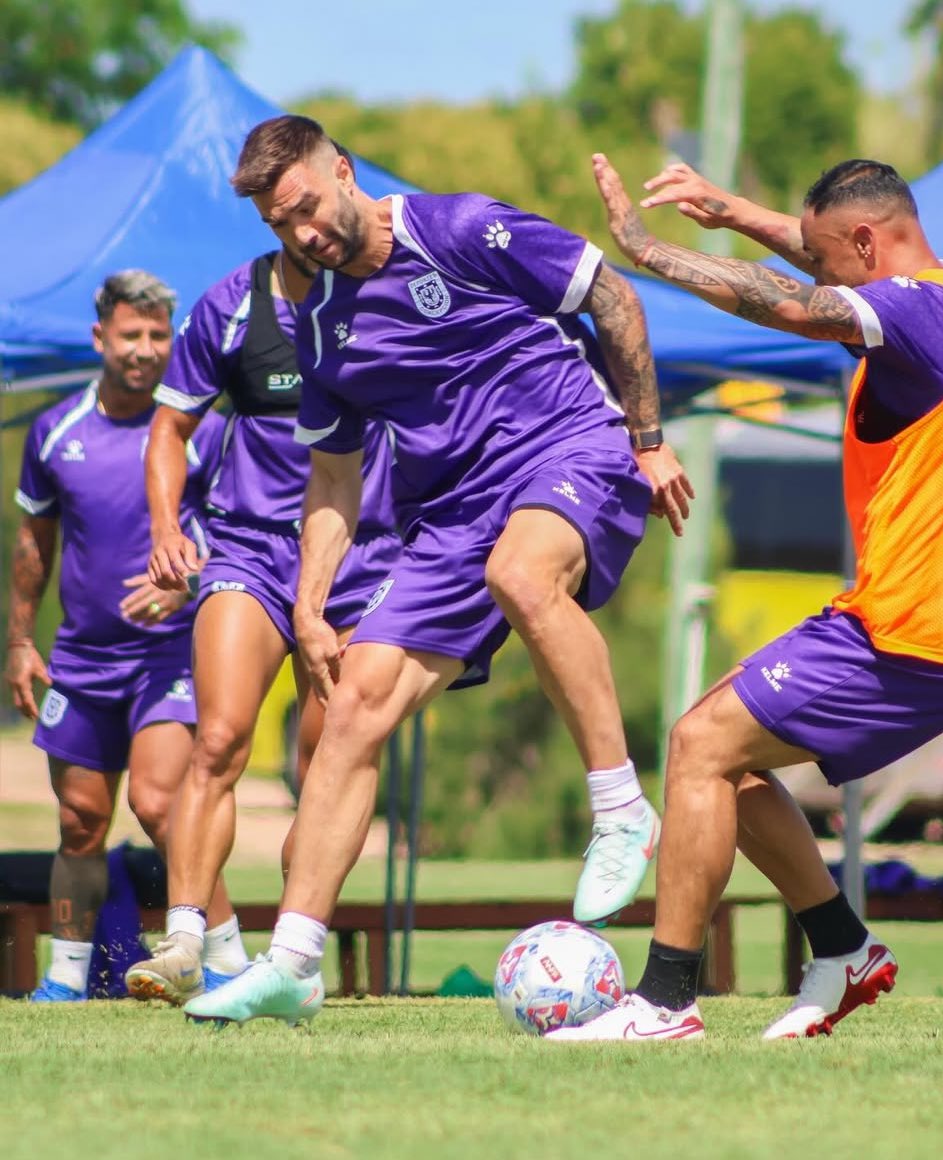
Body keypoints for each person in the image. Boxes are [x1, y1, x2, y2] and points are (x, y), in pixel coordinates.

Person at [179, 114, 692, 1026]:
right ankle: (295, 962)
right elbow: (334, 476)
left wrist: (649, 441)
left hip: (569, 445)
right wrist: (307, 605)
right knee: (354, 707)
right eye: (279, 227)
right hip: (450, 516)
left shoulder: (457, 229)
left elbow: (613, 298)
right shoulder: (319, 327)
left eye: (305, 206)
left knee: (523, 575)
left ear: (341, 170)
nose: (302, 234)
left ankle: (620, 809)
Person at [547, 157, 943, 1042]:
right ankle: (843, 948)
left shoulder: (914, 313)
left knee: (696, 746)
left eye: (827, 256)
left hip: (918, 627)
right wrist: (732, 211)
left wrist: (648, 253)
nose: (817, 271)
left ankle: (662, 1003)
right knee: (729, 765)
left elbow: (791, 303)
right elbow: (828, 262)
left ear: (866, 244)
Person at [123, 197, 402, 1006]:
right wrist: (168, 526)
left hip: (360, 555)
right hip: (249, 548)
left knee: (331, 755)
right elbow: (170, 429)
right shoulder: (232, 304)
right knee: (219, 737)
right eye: (289, 220)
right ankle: (184, 938)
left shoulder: (388, 296)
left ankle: (288, 957)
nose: (311, 235)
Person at [3, 270, 240, 1001]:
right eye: (131, 335)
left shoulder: (204, 433)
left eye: (157, 336)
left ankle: (228, 964)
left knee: (164, 804)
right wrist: (19, 641)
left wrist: (188, 582)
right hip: (80, 659)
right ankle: (67, 982)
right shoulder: (55, 431)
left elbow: (240, 534)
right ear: (100, 337)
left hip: (169, 656)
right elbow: (34, 545)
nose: (143, 350)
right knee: (80, 821)